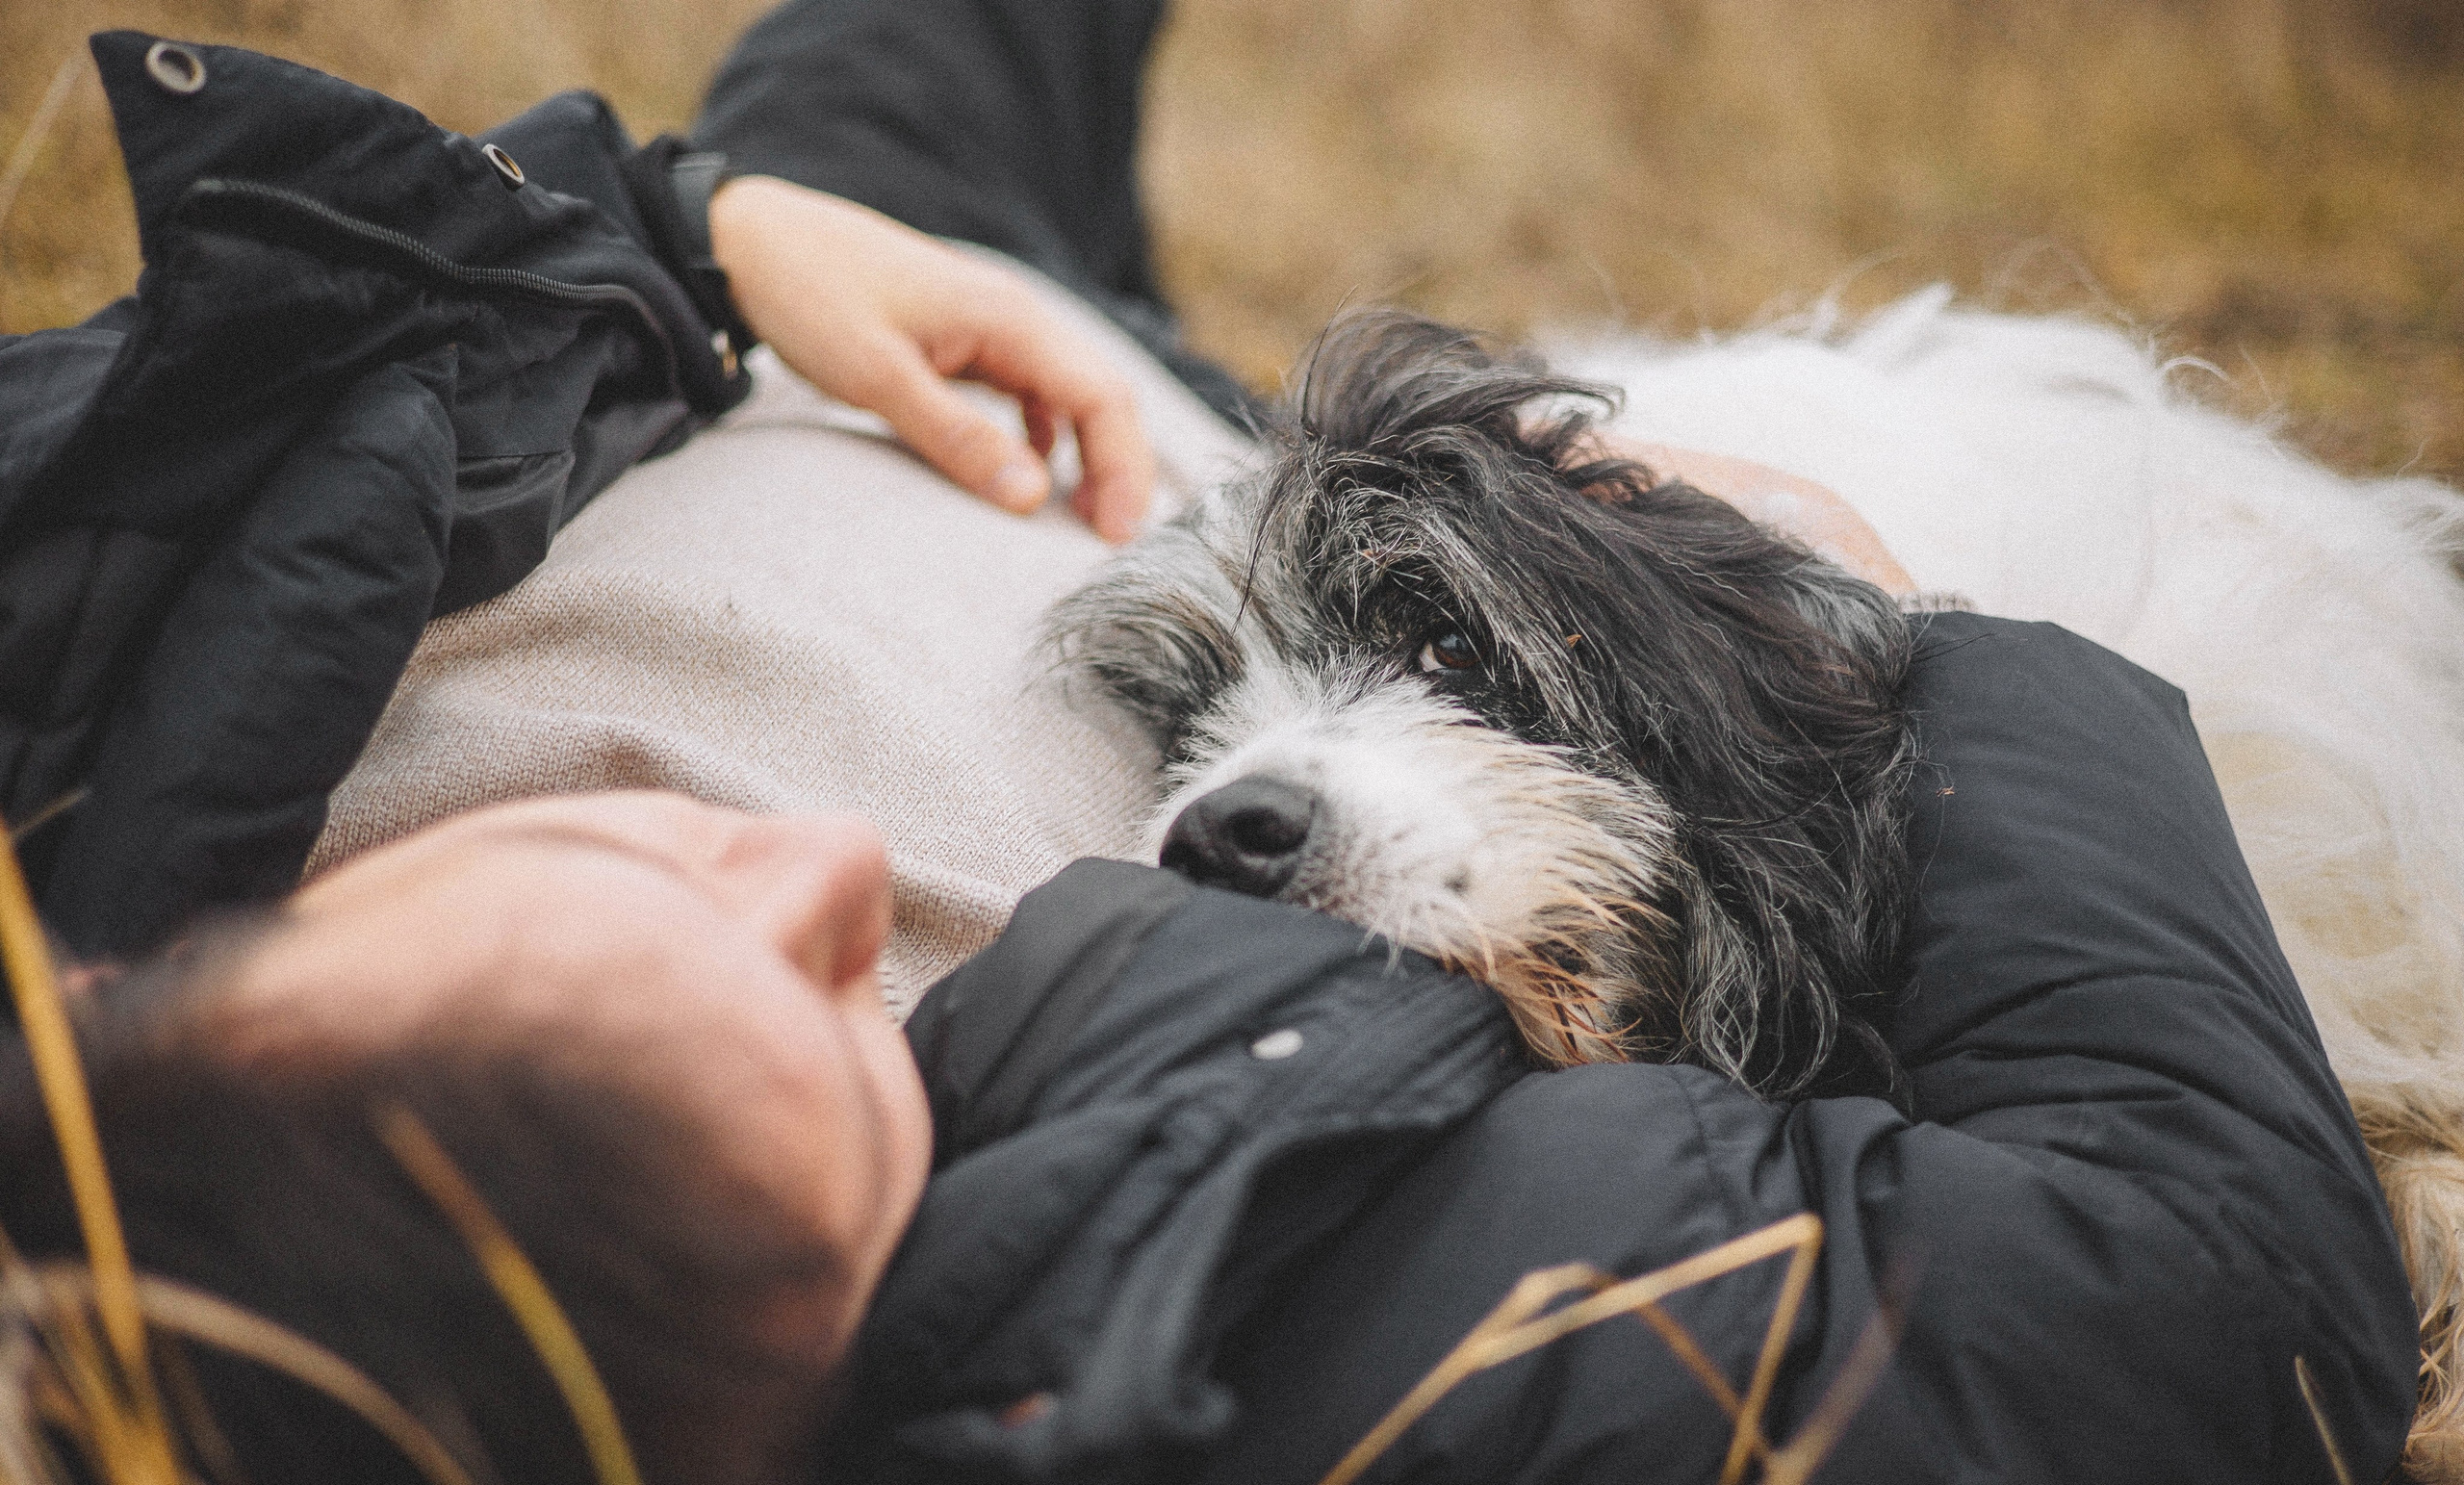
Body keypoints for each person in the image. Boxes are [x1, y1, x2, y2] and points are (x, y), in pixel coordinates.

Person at [0, 2, 2422, 1483]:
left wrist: (697, 224)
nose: (811, 865)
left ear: (137, 1000)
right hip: (1259, 519)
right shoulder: (1253, 1308)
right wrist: (1883, 601)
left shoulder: (92, 801)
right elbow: (2183, 1297)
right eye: (827, 1022)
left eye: (624, 882)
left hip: (802, 346)